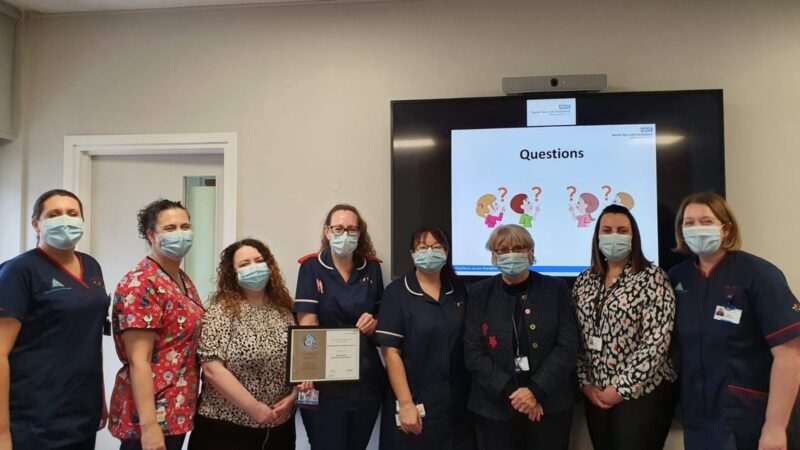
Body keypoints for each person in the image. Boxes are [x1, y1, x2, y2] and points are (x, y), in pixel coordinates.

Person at [669, 192, 800, 450]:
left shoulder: (759, 275)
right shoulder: (677, 279)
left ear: (726, 229)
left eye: (706, 222)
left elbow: (790, 355)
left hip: (751, 418)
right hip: (699, 419)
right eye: (689, 223)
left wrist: (775, 429)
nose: (697, 229)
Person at [0, 189, 109, 450]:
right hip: (35, 416)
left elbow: (90, 336)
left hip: (82, 408)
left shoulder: (92, 267)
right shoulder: (18, 271)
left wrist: (100, 397)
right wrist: (2, 431)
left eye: (72, 213)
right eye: (54, 214)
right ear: (36, 224)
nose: (65, 220)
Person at [464, 224, 577, 450]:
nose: (510, 254)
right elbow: (473, 353)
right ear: (494, 256)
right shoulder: (479, 293)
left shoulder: (556, 289)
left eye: (518, 248)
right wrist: (514, 394)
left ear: (530, 252)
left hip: (549, 404)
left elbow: (567, 347)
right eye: (502, 250)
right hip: (494, 407)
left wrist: (535, 391)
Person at [573, 204, 677, 450]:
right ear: (597, 235)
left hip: (642, 394)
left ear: (634, 237)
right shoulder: (584, 281)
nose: (614, 236)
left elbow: (656, 342)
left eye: (622, 230)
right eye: (607, 230)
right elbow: (576, 337)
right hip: (596, 394)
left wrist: (621, 388)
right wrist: (584, 383)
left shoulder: (653, 278)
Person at [189, 238, 309, 450]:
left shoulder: (284, 311)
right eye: (244, 264)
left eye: (259, 260)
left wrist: (292, 398)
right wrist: (253, 408)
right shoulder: (222, 311)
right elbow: (212, 370)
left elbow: (298, 364)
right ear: (233, 273)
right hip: (225, 429)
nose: (254, 267)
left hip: (279, 428)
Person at [108, 199, 205, 450]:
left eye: (185, 226)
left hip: (176, 408)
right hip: (150, 415)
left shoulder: (180, 278)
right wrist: (149, 428)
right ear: (152, 235)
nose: (181, 233)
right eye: (170, 228)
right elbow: (139, 360)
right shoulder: (142, 283)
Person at [293, 204, 386, 450]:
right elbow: (307, 321)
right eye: (339, 228)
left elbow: (381, 320)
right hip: (324, 384)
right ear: (327, 231)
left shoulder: (373, 268)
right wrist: (307, 369)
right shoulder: (311, 267)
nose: (345, 235)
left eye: (352, 229)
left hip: (365, 380)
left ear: (360, 233)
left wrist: (373, 324)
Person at [375, 227, 473, 450]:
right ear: (412, 254)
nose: (430, 252)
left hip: (455, 405)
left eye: (436, 247)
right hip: (414, 402)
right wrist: (406, 403)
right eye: (423, 247)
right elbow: (390, 352)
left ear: (446, 253)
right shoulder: (397, 292)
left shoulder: (458, 291)